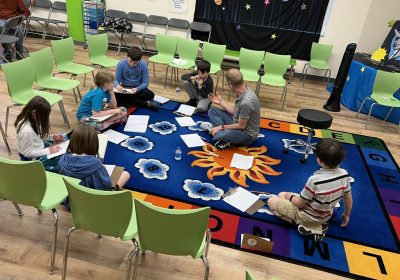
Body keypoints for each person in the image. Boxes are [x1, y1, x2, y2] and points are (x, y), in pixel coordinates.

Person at [267, 138, 353, 241]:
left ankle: (306, 226)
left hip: (306, 216)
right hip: (326, 215)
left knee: (272, 200)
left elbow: (300, 204)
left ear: (319, 160)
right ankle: (317, 224)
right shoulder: (344, 174)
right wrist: (346, 215)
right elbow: (348, 197)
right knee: (281, 196)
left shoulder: (314, 180)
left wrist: (289, 197)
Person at [58, 124, 131, 209]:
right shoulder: (96, 164)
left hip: (70, 202)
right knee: (126, 174)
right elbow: (105, 186)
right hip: (93, 205)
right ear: (93, 143)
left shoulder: (62, 160)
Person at [200, 68, 260, 150]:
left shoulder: (246, 102)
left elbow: (241, 126)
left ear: (230, 85)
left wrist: (221, 127)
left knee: (219, 135)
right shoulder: (244, 90)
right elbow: (235, 112)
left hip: (247, 134)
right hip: (237, 123)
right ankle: (221, 135)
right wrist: (221, 102)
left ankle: (217, 133)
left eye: (226, 84)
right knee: (212, 111)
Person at [15, 96, 66, 172]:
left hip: (38, 148)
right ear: (34, 113)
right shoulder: (27, 130)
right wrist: (49, 150)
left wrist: (52, 137)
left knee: (64, 138)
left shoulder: (32, 119)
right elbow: (27, 153)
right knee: (62, 162)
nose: (46, 118)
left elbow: (37, 136)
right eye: (44, 116)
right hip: (31, 159)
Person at [114, 46, 158, 110]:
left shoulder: (143, 65)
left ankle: (130, 101)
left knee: (150, 95)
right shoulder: (121, 64)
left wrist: (137, 89)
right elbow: (116, 80)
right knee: (114, 96)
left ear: (139, 60)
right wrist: (117, 86)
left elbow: (145, 83)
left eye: (135, 62)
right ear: (127, 57)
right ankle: (145, 104)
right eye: (130, 61)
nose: (132, 64)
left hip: (138, 89)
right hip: (125, 88)